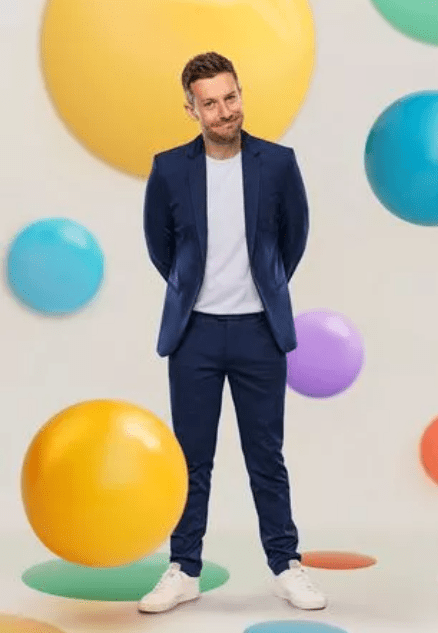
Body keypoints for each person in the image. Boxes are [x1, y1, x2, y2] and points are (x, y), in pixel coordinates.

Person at [140, 51, 327, 613]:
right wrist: (193, 293)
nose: (225, 111)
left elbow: (292, 238)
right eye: (211, 102)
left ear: (240, 94)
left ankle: (285, 565)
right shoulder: (169, 167)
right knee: (190, 459)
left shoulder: (279, 162)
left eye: (231, 97)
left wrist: (264, 288)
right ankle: (184, 568)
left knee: (265, 455)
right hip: (194, 334)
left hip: (258, 334)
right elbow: (161, 246)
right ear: (190, 109)